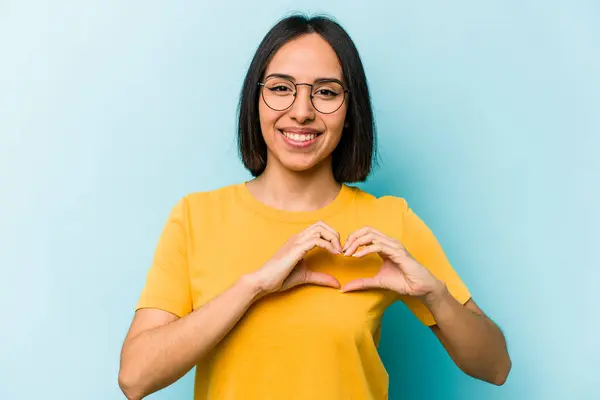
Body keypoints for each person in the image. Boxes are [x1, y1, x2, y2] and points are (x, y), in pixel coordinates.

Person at [118, 13, 511, 400]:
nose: (302, 111)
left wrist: (435, 296)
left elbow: (495, 367)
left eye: (325, 91)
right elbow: (135, 378)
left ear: (349, 109)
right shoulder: (195, 217)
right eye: (280, 88)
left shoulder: (389, 221)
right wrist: (253, 286)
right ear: (256, 99)